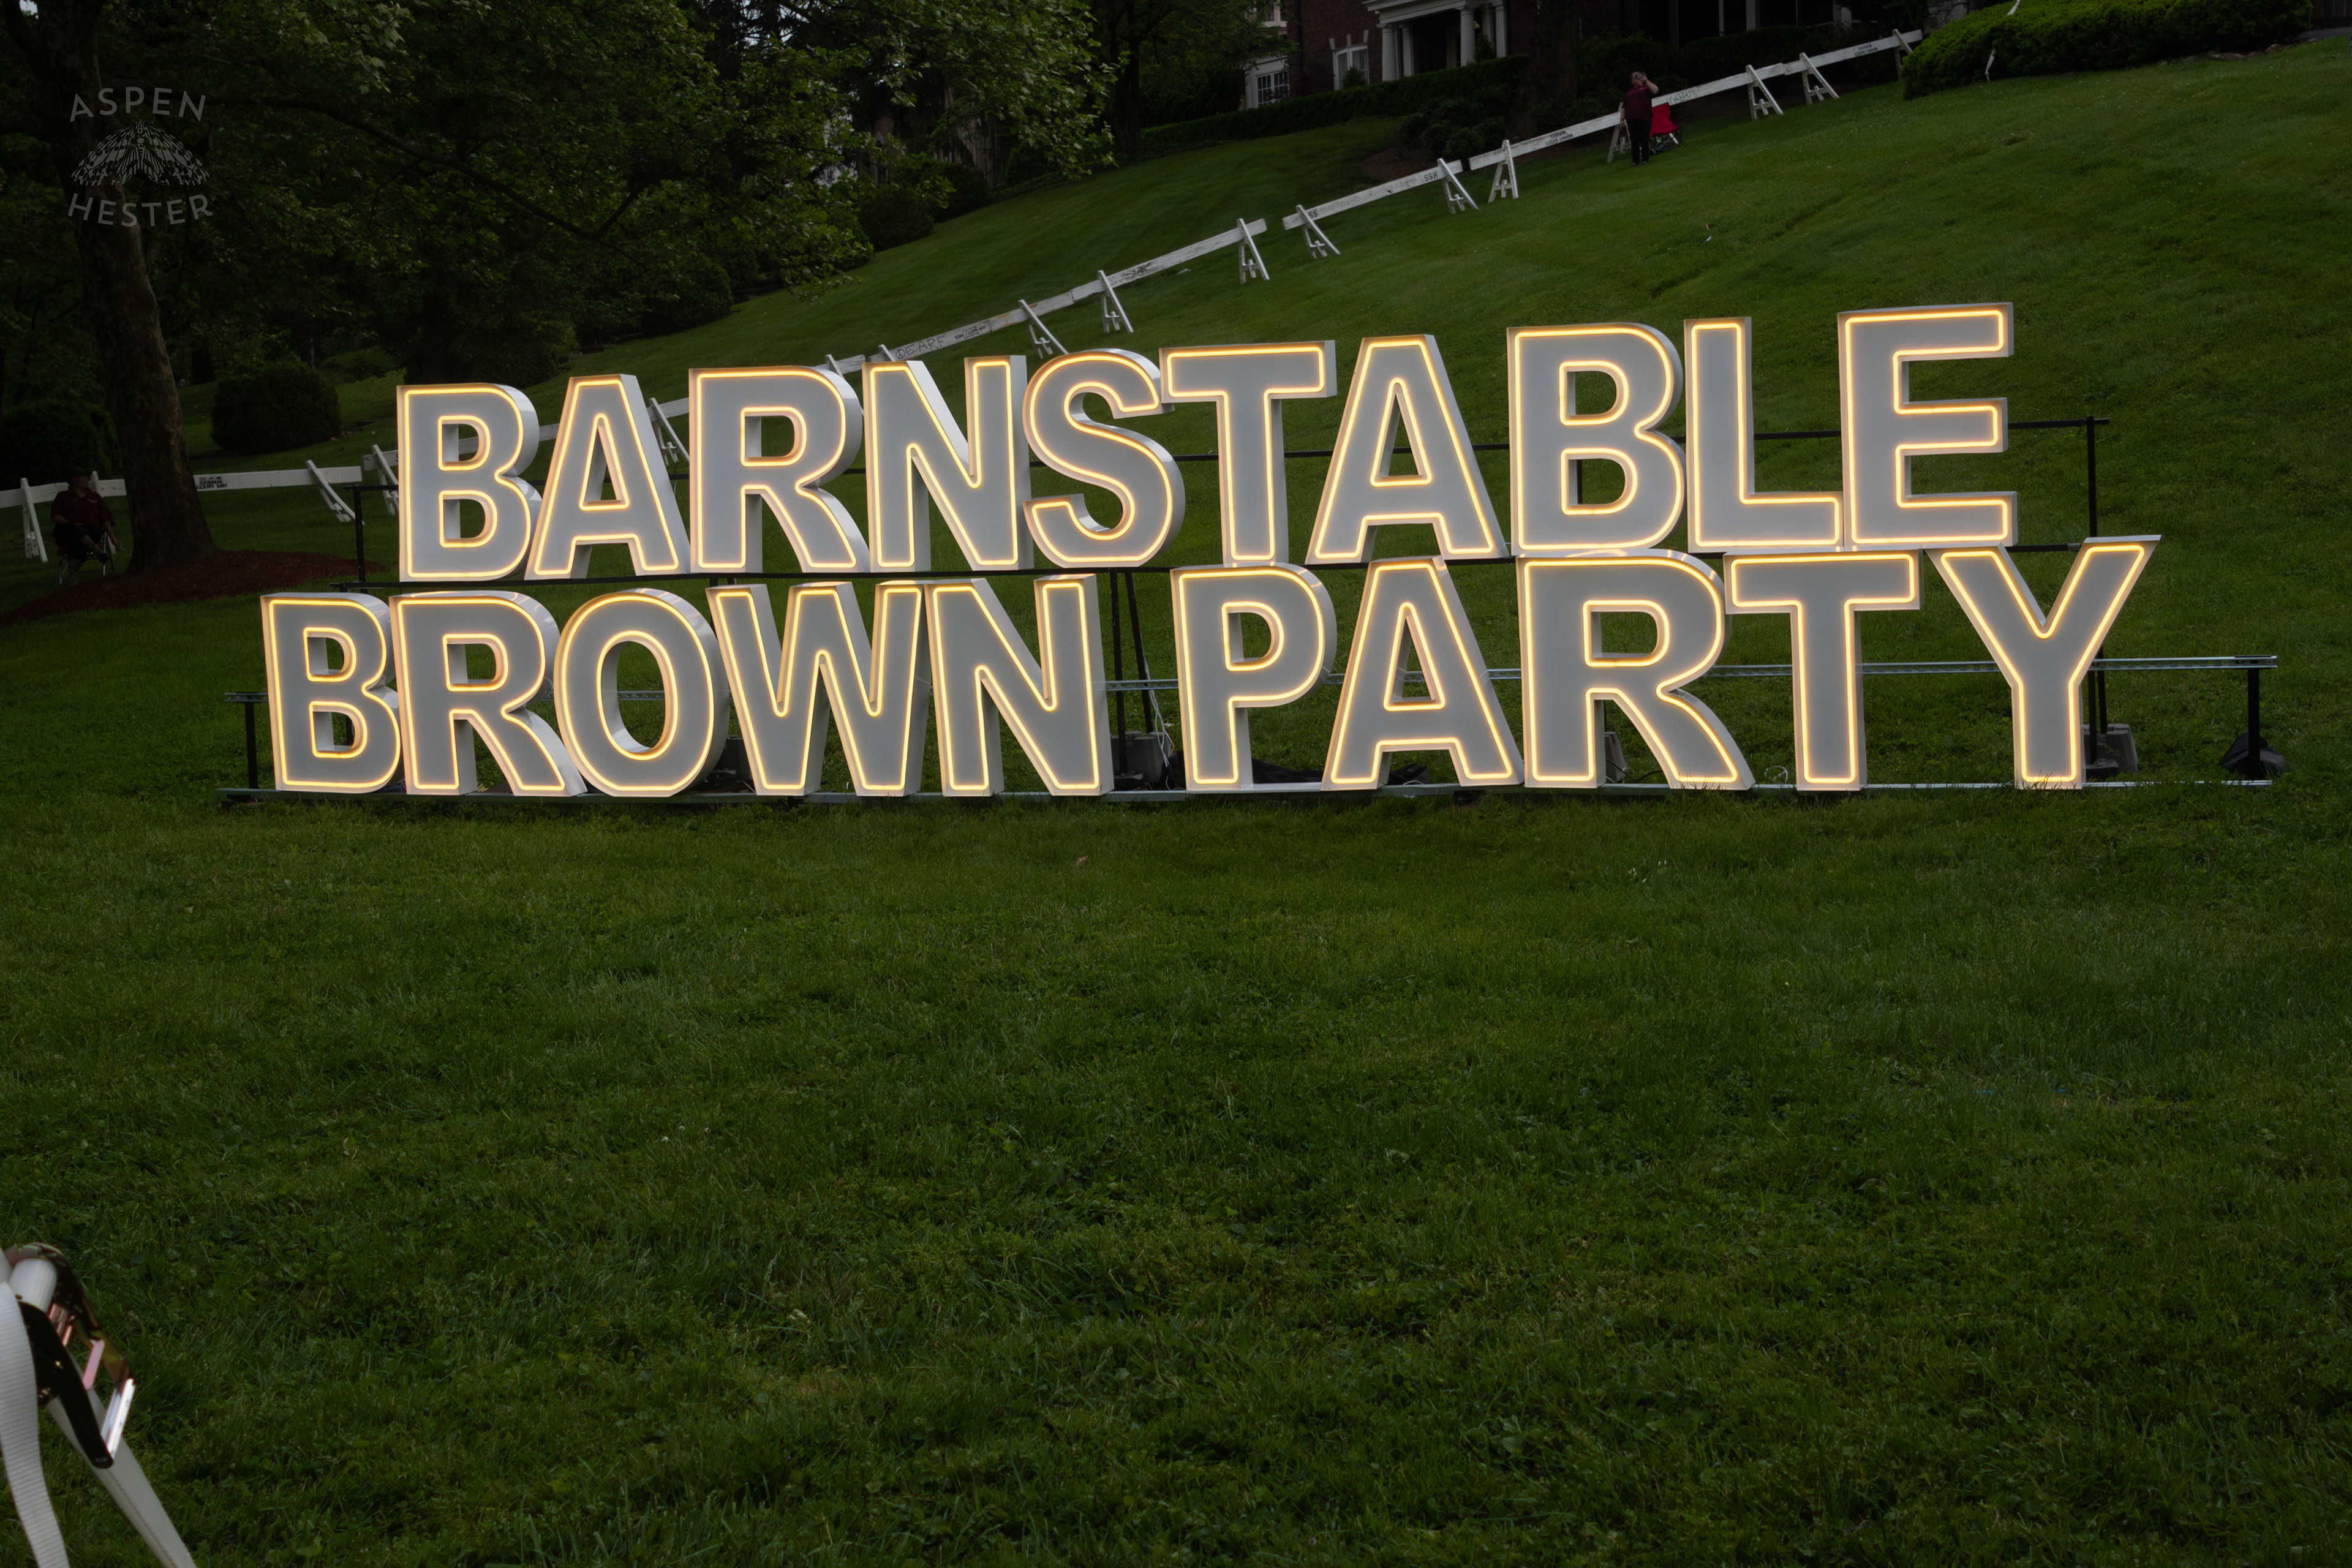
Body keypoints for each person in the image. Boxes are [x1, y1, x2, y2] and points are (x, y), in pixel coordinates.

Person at [50, 467, 118, 584]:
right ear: (75, 481)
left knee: (77, 542)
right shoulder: (63, 497)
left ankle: (74, 583)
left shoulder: (95, 498)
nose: (88, 480)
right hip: (66, 532)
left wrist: (113, 540)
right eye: (84, 477)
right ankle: (96, 550)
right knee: (72, 528)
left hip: (90, 532)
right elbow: (55, 516)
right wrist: (71, 524)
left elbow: (106, 520)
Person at [1620, 72, 1657, 167]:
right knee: (1634, 141)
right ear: (1632, 81)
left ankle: (1645, 159)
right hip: (1632, 119)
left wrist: (1646, 81)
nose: (1637, 79)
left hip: (1645, 117)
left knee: (1645, 139)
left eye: (1639, 77)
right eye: (1635, 78)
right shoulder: (1629, 93)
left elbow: (1656, 90)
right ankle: (1635, 161)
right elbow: (1624, 107)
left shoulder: (1646, 89)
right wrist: (1622, 119)